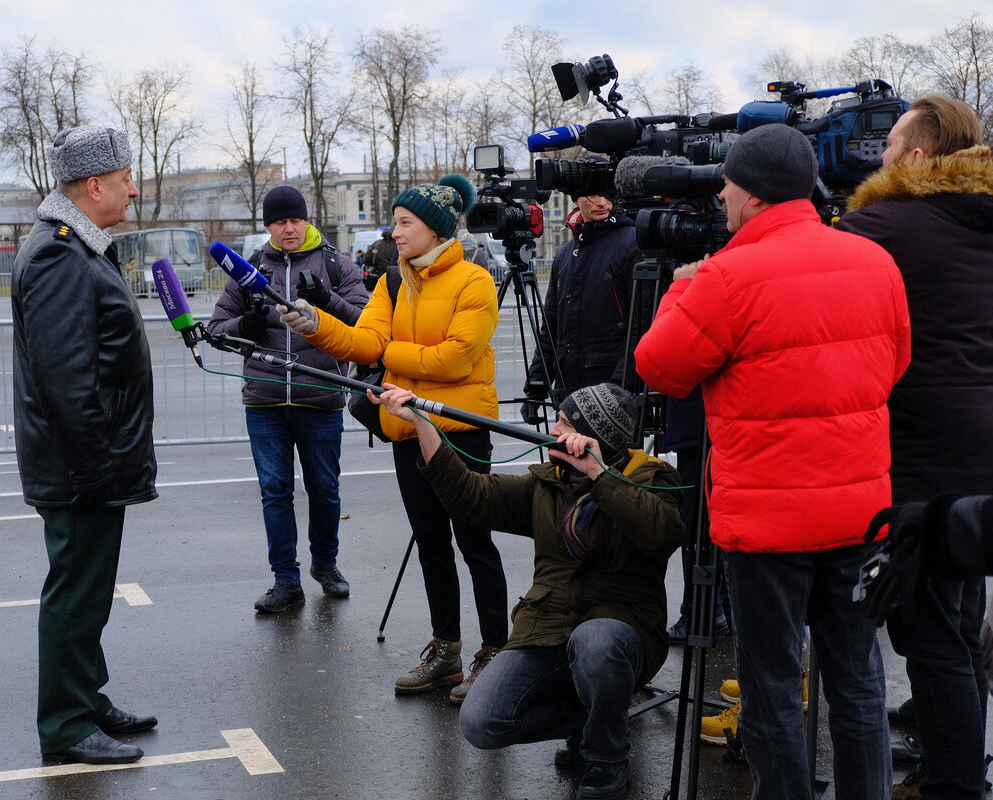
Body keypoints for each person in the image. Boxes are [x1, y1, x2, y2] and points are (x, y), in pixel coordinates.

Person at [633, 123, 911, 800]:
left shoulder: (727, 275)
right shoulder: (874, 260)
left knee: (773, 688)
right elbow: (895, 363)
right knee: (857, 680)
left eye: (728, 184)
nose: (721, 196)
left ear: (752, 195)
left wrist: (681, 286)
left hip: (767, 525)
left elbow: (660, 367)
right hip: (859, 512)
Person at [373, 381, 682, 799]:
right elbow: (469, 497)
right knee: (481, 722)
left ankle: (607, 756)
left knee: (596, 640)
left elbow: (661, 535)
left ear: (593, 436)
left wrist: (598, 475)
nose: (553, 431)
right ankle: (592, 719)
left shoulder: (653, 481)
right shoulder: (548, 485)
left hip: (622, 637)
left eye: (565, 423)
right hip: (550, 629)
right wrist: (421, 423)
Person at [278, 174, 509, 703]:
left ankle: (495, 649)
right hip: (407, 430)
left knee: (475, 543)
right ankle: (447, 650)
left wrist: (389, 359)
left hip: (461, 430)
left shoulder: (474, 281)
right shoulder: (393, 280)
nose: (394, 231)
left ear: (434, 229)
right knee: (431, 545)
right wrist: (314, 323)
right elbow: (365, 340)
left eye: (404, 223)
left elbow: (454, 358)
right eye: (396, 222)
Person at [834, 94, 993, 800]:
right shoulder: (981, 219)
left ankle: (952, 785)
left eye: (893, 143)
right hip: (981, 454)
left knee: (929, 638)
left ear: (921, 155)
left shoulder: (886, 225)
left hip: (921, 456)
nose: (883, 155)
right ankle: (952, 764)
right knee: (959, 627)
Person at [12, 125, 158, 766]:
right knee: (75, 592)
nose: (133, 189)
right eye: (126, 178)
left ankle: (85, 697)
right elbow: (65, 382)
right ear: (94, 185)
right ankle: (67, 725)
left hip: (93, 460)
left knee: (91, 591)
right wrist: (97, 468)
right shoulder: (56, 254)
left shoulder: (78, 248)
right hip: (81, 466)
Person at [207, 185, 369, 614]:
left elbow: (365, 323)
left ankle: (327, 566)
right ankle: (285, 580)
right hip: (265, 400)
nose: (289, 228)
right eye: (279, 221)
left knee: (325, 490)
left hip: (321, 395)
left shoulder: (336, 263)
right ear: (268, 227)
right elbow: (217, 330)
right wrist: (249, 323)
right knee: (275, 492)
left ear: (306, 220)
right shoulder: (249, 269)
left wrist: (324, 299)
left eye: (295, 219)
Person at [521, 174, 637, 421]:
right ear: (576, 200)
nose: (602, 202)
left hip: (610, 387)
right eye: (593, 195)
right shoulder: (565, 253)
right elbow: (550, 327)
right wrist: (537, 384)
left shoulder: (631, 242)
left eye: (607, 195)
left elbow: (640, 324)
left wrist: (620, 385)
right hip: (569, 388)